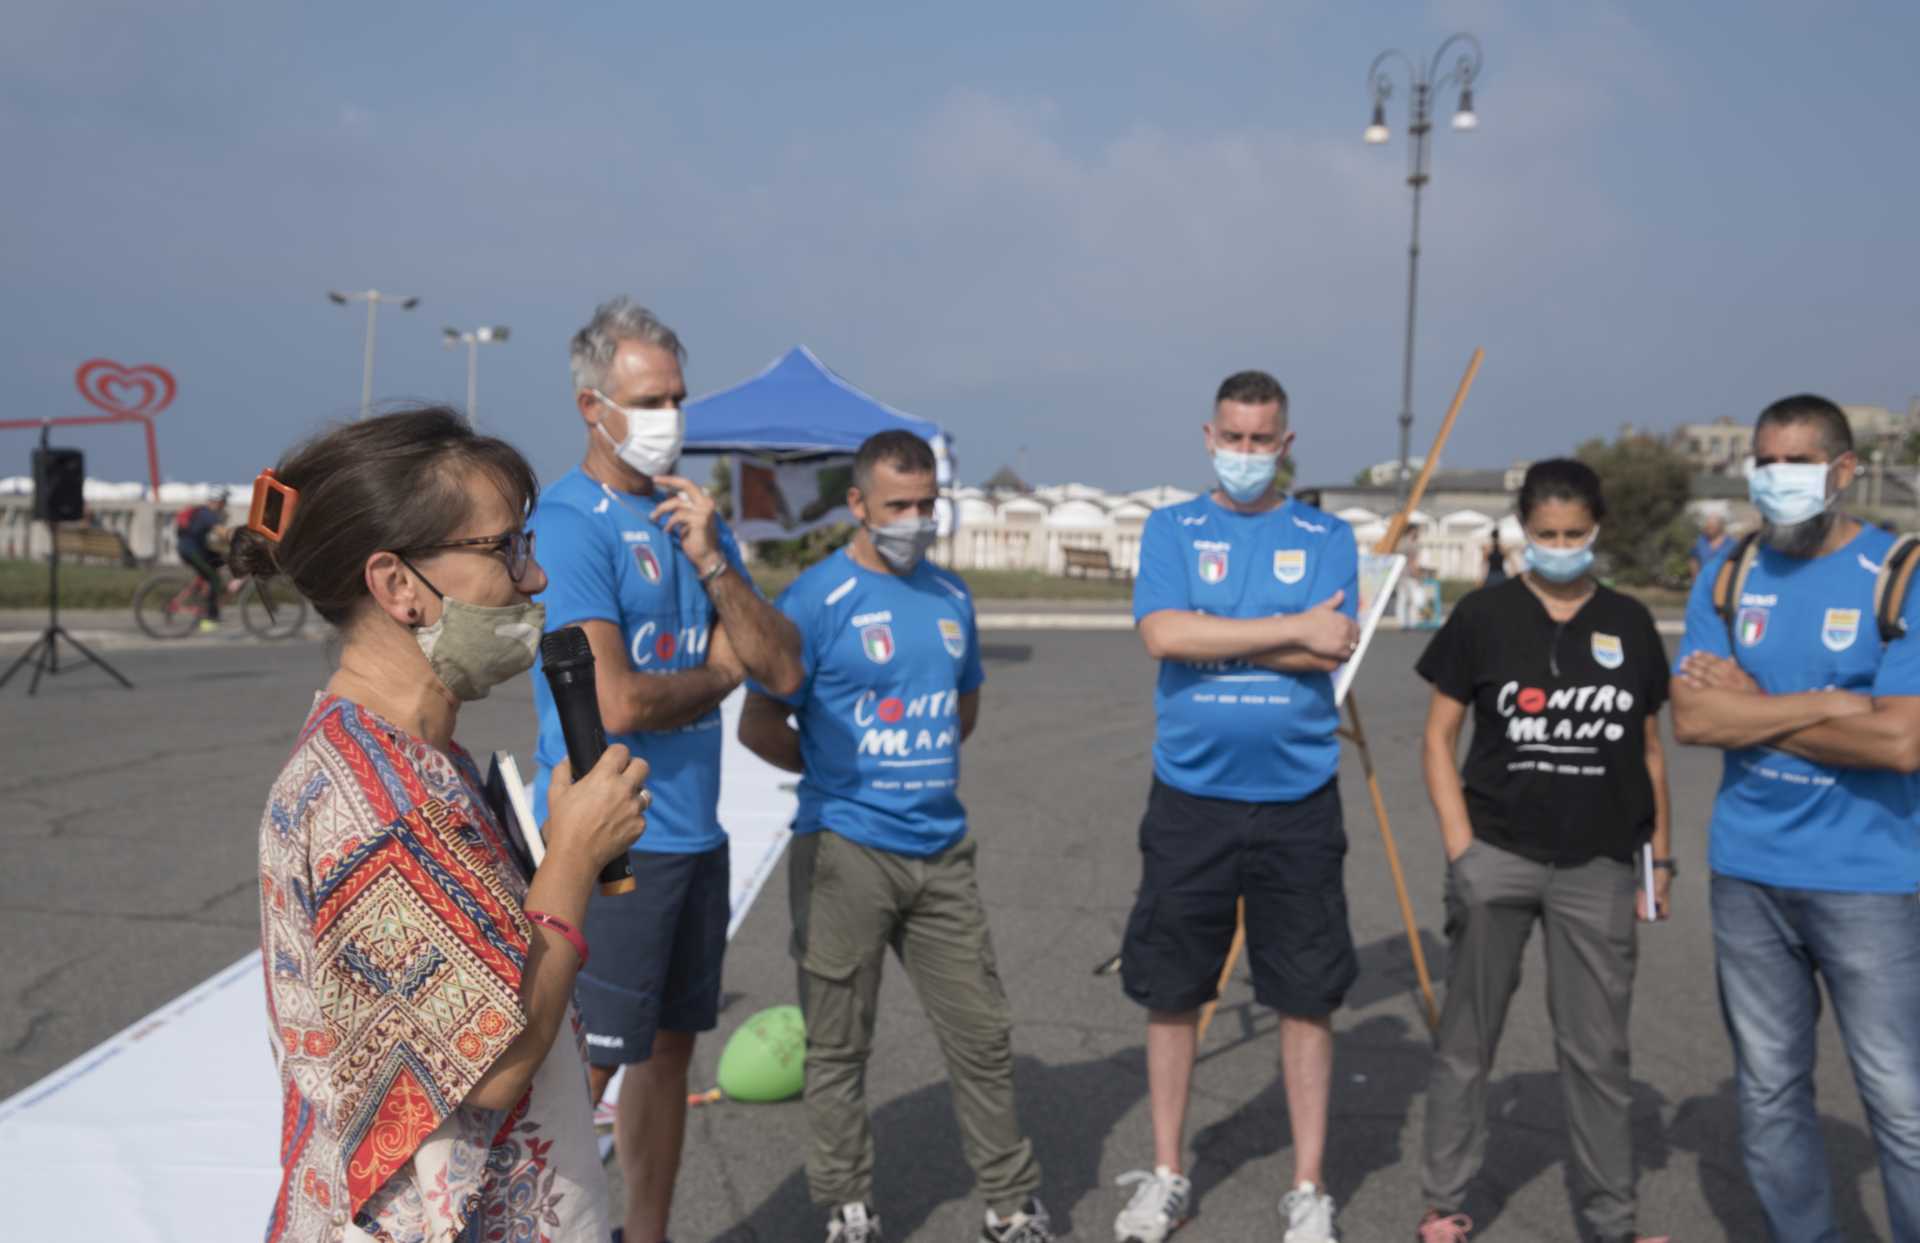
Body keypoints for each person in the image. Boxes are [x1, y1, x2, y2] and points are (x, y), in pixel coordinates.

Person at [233, 407, 651, 1241]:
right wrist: (573, 851)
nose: (534, 580)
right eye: (505, 550)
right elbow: (493, 1063)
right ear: (397, 586)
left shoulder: (417, 757)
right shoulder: (379, 806)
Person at [528, 296, 804, 1243]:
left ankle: (644, 1232)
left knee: (668, 1053)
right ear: (591, 404)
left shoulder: (690, 517)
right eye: (649, 398)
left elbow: (785, 665)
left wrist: (718, 560)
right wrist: (721, 671)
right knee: (581, 1070)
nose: (668, 418)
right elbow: (617, 703)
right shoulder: (570, 524)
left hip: (695, 833)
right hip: (612, 841)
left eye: (678, 397)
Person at [738, 429, 1052, 1243]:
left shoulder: (951, 597)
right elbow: (759, 722)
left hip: (942, 852)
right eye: (898, 505)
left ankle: (1011, 1205)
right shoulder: (814, 598)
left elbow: (964, 708)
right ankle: (847, 1205)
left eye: (926, 503)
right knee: (839, 1043)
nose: (915, 518)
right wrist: (836, 769)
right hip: (846, 849)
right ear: (858, 505)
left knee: (982, 1034)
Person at [1115, 370, 1361, 1243]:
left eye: (1264, 439)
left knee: (1306, 995)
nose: (1248, 453)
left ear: (1286, 445)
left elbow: (1331, 646)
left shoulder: (1326, 534)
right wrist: (1283, 628)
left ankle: (1307, 1187)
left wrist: (1223, 631)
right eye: (1234, 437)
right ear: (1209, 436)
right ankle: (1168, 1170)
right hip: (1192, 796)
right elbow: (1164, 635)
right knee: (1174, 990)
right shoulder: (1172, 527)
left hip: (1297, 798)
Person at [1672, 393, 1920, 1242]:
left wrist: (1766, 702)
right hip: (1748, 873)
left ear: (1844, 472)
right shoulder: (1727, 571)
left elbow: (1900, 744)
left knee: (1900, 1100)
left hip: (1870, 880)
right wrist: (1835, 708)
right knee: (1771, 1094)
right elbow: (1698, 720)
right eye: (1764, 462)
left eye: (1796, 462)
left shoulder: (1902, 572)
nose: (1776, 478)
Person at [1411, 459, 1673, 1243]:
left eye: (1575, 533)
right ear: (1524, 531)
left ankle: (1612, 1221)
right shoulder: (1484, 616)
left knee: (1598, 1055)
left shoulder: (1629, 623)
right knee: (1467, 1042)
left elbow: (1653, 753)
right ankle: (1445, 1203)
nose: (1560, 546)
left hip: (1597, 867)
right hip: (1498, 856)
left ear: (1597, 530)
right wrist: (1464, 851)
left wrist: (1659, 862)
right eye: (1546, 533)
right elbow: (1437, 736)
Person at [176, 489, 229, 632]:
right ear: (219, 502)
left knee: (221, 560)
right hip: (192, 551)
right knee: (214, 578)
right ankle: (210, 617)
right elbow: (221, 532)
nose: (225, 505)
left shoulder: (204, 512)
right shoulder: (207, 514)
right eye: (224, 502)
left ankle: (202, 594)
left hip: (195, 548)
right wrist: (238, 539)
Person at [1686, 510, 1731, 581]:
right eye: (1708, 526)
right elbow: (1693, 561)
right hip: (1702, 582)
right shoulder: (1700, 542)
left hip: (1723, 583)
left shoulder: (1731, 544)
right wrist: (1696, 580)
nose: (1709, 528)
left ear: (1720, 527)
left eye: (1712, 526)